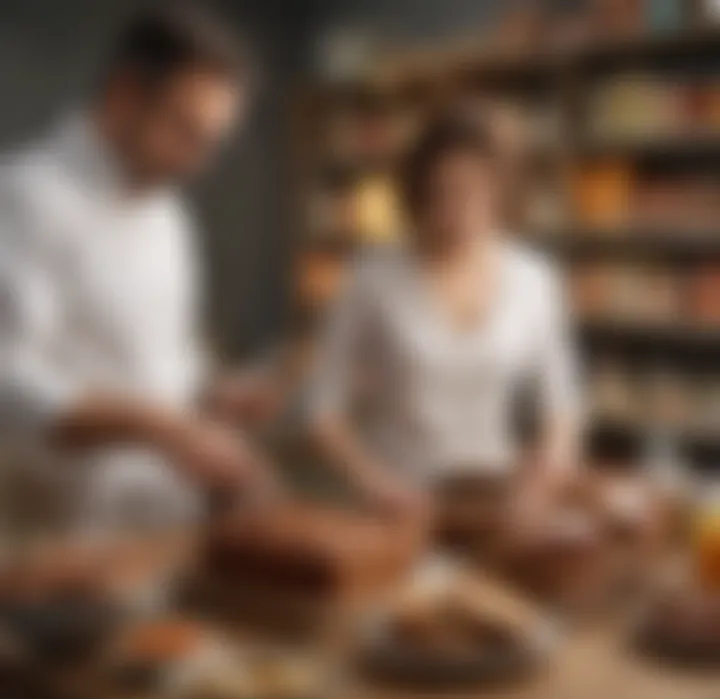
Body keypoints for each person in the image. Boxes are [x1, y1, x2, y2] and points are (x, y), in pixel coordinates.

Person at [0, 4, 278, 538]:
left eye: (213, 142)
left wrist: (210, 394)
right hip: (59, 538)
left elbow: (160, 361)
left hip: (163, 520)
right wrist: (162, 426)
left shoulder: (171, 216)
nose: (200, 162)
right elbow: (8, 385)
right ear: (125, 94)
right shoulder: (26, 196)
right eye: (186, 130)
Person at [310, 106, 582, 524]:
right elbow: (322, 409)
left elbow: (562, 401)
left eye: (476, 191)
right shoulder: (373, 276)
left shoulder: (533, 279)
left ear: (502, 190)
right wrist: (373, 484)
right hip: (396, 503)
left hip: (494, 505)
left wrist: (552, 459)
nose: (460, 210)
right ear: (419, 192)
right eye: (444, 192)